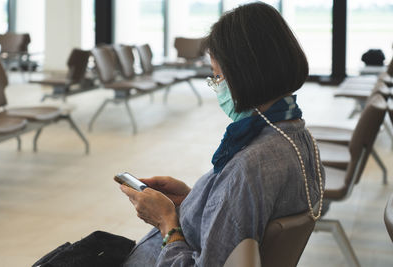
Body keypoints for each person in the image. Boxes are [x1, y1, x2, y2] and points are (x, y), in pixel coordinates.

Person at [121, 2, 324, 266]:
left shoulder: (250, 166)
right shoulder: (297, 138)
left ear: (244, 76)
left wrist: (166, 222)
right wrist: (196, 198)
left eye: (217, 76)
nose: (217, 86)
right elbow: (239, 215)